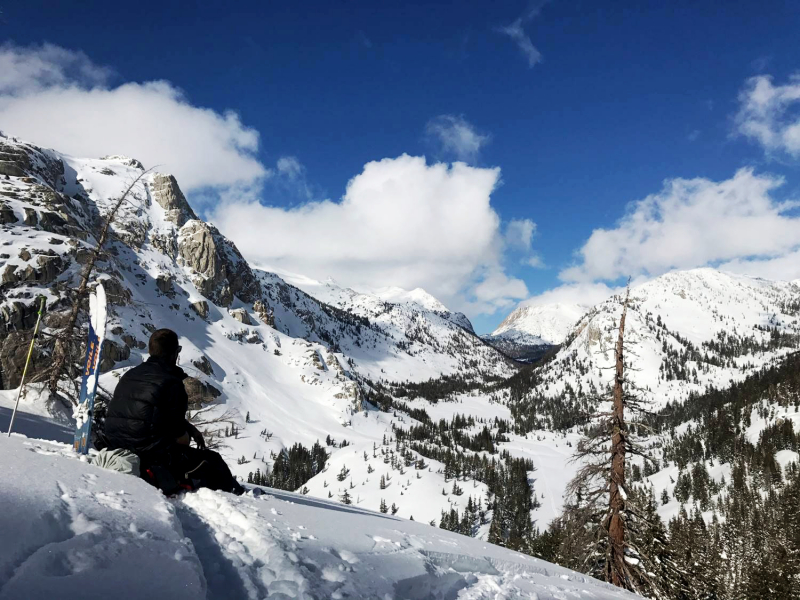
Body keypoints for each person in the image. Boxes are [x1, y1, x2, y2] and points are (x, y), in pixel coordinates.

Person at [104, 328, 245, 495]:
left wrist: (190, 428)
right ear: (174, 353)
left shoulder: (130, 374)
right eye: (177, 351)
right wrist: (185, 434)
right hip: (148, 454)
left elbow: (151, 411)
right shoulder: (172, 383)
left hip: (115, 445)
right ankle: (237, 494)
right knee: (213, 461)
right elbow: (179, 435)